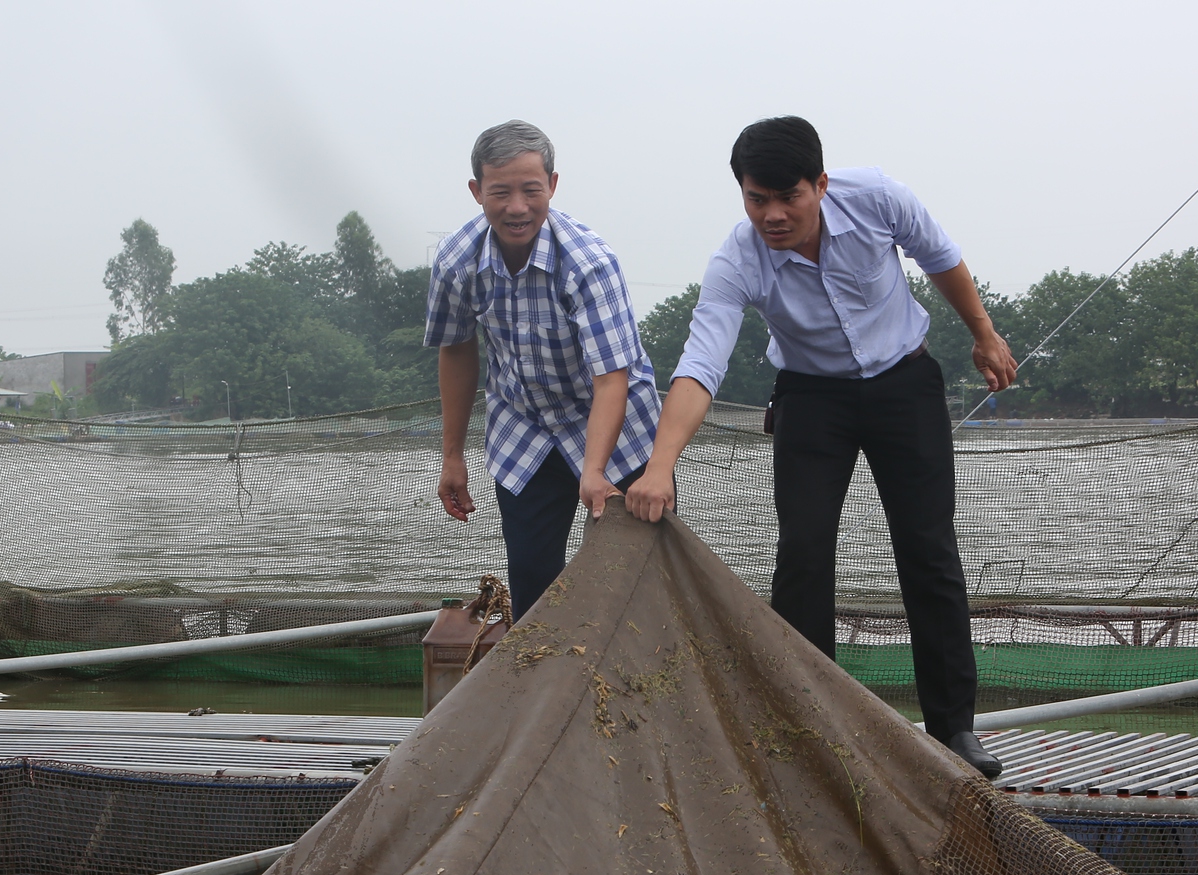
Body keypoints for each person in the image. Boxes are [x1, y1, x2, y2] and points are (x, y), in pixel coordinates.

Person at [626, 116, 1017, 779]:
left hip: (904, 383)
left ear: (821, 184)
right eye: (757, 200)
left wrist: (983, 332)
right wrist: (660, 465)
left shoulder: (876, 198)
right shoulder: (737, 259)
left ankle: (954, 728)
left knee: (928, 549)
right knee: (803, 552)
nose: (773, 215)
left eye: (789, 197)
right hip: (812, 397)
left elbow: (940, 255)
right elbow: (701, 362)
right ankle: (810, 730)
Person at [425, 119, 659, 614]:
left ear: (552, 185)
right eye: (500, 192)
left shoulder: (588, 263)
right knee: (533, 585)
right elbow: (456, 348)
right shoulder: (457, 262)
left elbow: (611, 377)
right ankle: (544, 688)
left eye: (531, 190)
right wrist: (452, 455)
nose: (517, 208)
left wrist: (594, 471)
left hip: (613, 428)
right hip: (524, 426)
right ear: (476, 192)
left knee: (639, 584)